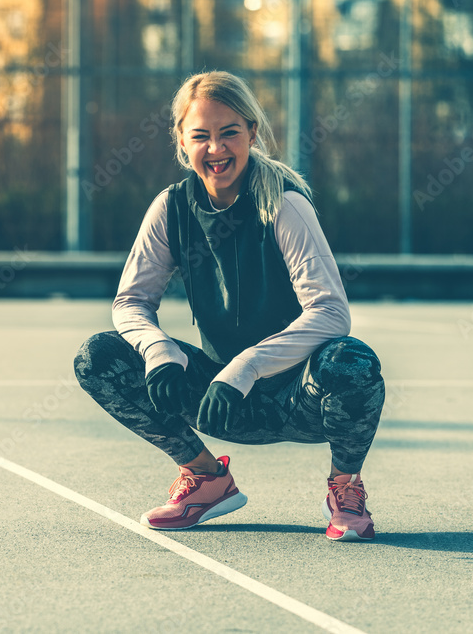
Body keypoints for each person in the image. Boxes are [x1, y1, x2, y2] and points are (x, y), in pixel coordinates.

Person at [74, 71, 385, 541]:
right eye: (201, 136)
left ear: (252, 133)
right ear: (181, 140)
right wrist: (160, 353)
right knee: (98, 356)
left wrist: (245, 369)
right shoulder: (171, 209)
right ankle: (205, 478)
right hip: (215, 401)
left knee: (353, 361)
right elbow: (131, 302)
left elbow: (330, 312)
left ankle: (346, 488)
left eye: (229, 133)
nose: (216, 149)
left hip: (296, 397)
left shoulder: (283, 203)